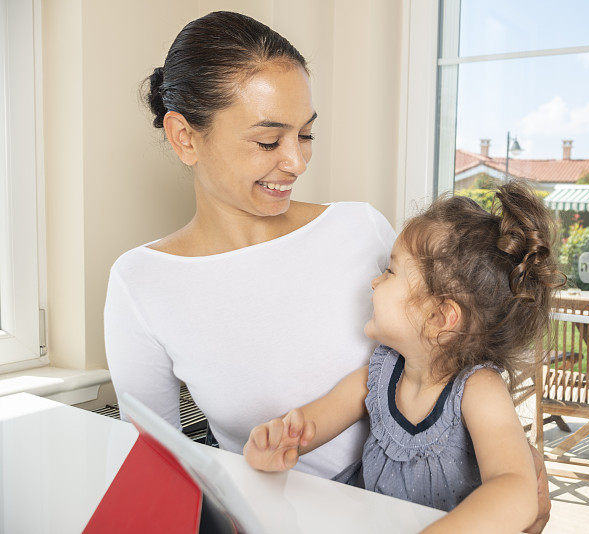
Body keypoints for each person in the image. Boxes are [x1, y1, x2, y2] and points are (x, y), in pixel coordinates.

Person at [103, 11, 549, 532]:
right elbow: (159, 470)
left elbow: (455, 349)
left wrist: (518, 476)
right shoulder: (142, 284)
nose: (296, 161)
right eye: (269, 141)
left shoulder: (360, 228)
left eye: (307, 134)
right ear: (184, 137)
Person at [244, 182, 564, 533]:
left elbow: (515, 488)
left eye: (391, 272)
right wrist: (282, 440)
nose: (373, 283)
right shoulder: (383, 371)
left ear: (439, 318)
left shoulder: (478, 389)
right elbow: (315, 421)